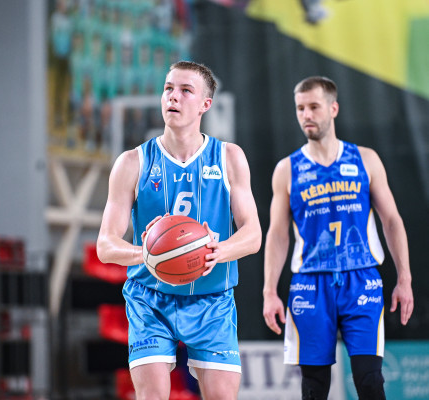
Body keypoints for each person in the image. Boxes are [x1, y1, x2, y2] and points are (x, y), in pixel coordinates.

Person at [97, 61, 262, 400]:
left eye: (186, 90)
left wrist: (218, 251)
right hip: (150, 299)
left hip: (212, 298)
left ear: (205, 104)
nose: (173, 96)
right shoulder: (132, 162)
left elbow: (253, 234)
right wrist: (145, 254)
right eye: (168, 88)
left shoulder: (229, 157)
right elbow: (105, 245)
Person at [262, 76, 414, 400]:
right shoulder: (287, 169)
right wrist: (269, 291)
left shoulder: (365, 159)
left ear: (333, 108)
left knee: (369, 380)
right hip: (310, 283)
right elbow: (277, 234)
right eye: (300, 108)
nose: (306, 115)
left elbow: (392, 220)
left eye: (314, 107)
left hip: (361, 278)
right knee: (314, 387)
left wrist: (405, 278)